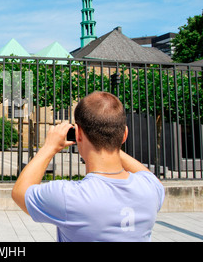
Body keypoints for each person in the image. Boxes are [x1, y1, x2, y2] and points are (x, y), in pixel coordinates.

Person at [12, 91, 165, 242]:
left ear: (78, 134)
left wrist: (49, 147)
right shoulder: (151, 189)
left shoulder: (69, 197)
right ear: (124, 134)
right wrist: (111, 140)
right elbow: (149, 177)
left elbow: (20, 192)